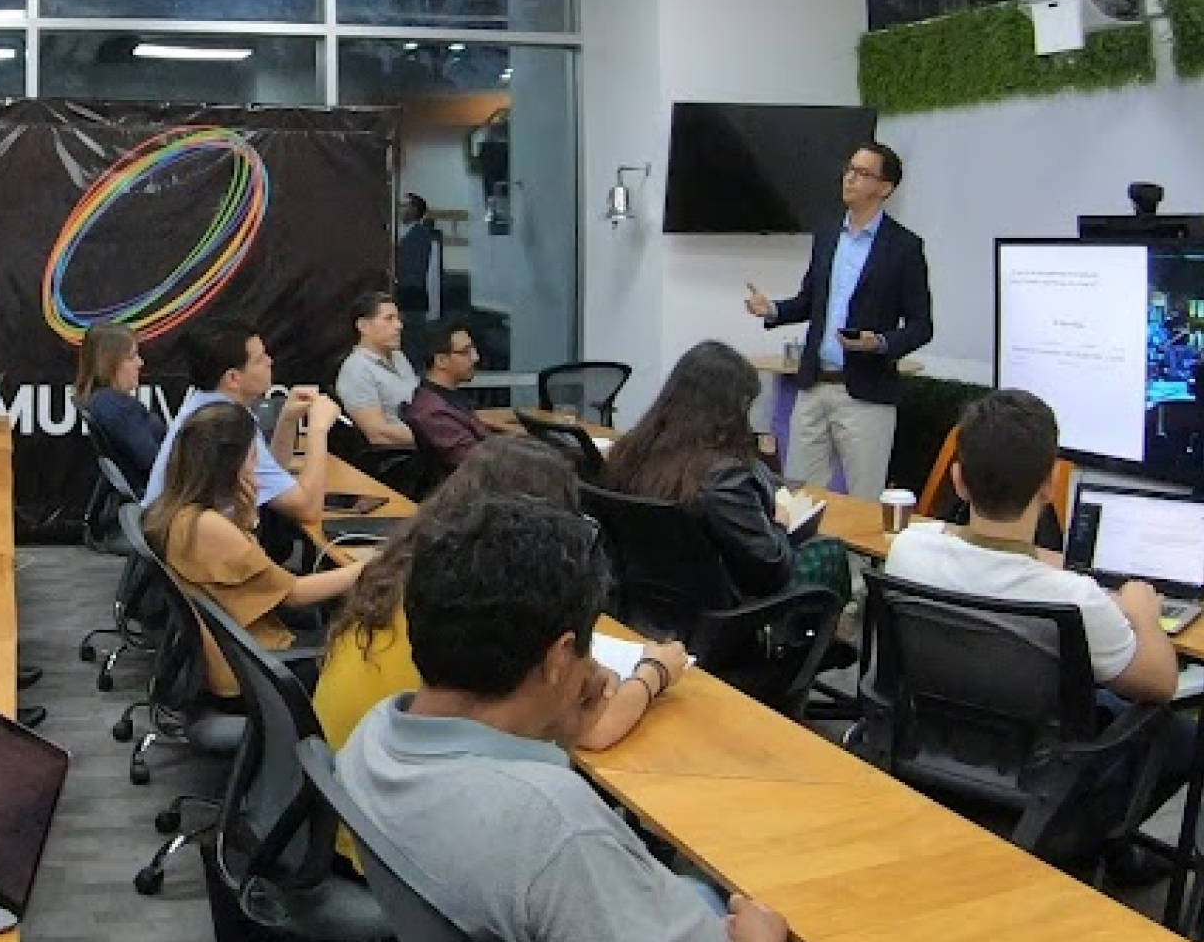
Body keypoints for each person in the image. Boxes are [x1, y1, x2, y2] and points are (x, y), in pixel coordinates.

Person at [336, 495, 788, 942]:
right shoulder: (557, 827)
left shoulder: (372, 736)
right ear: (558, 659)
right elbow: (547, 840)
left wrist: (561, 734)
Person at [884, 389, 1190, 876]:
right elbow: (1160, 683)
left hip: (931, 747)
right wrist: (1143, 614)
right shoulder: (1075, 598)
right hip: (1043, 774)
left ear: (959, 479)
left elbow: (981, 556)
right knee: (1180, 734)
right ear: (1050, 485)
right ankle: (1091, 847)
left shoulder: (908, 551)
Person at [744, 142, 932, 500]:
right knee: (799, 496)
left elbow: (922, 325)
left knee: (862, 503)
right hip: (815, 384)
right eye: (849, 169)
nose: (850, 177)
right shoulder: (828, 236)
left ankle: (858, 560)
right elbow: (810, 301)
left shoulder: (904, 247)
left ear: (885, 188)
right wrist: (773, 310)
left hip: (867, 392)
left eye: (863, 173)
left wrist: (880, 343)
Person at [601, 342, 852, 602]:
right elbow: (771, 572)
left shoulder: (630, 452)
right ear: (730, 410)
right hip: (724, 611)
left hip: (646, 603)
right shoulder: (723, 477)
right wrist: (779, 524)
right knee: (830, 552)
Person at [143, 403, 362, 699]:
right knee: (365, 644)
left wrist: (246, 520)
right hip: (250, 672)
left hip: (242, 653)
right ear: (234, 462)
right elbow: (294, 594)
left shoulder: (179, 511)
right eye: (253, 453)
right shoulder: (206, 526)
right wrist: (371, 566)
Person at [144, 318, 337, 535]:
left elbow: (269, 479)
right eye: (259, 359)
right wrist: (318, 430)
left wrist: (288, 420)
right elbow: (308, 508)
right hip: (195, 549)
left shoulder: (210, 404)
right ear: (233, 378)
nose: (270, 362)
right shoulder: (222, 426)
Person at [401, 319, 512, 470]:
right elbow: (476, 461)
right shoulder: (432, 413)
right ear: (441, 361)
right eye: (465, 352)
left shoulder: (447, 396)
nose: (475, 358)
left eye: (473, 349)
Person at [75, 322, 163, 491]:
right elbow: (153, 463)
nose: (140, 363)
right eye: (132, 357)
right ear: (109, 363)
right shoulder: (117, 408)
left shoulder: (101, 403)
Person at [335, 291, 418, 448]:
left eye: (398, 319)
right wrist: (433, 437)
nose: (399, 326)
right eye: (389, 319)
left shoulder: (399, 357)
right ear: (363, 326)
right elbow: (377, 434)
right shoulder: (357, 370)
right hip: (401, 458)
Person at [395, 194, 442, 324]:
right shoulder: (392, 232)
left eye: (404, 205)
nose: (400, 209)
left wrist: (434, 311)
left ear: (414, 210)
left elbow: (433, 276)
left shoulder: (427, 239)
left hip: (413, 302)